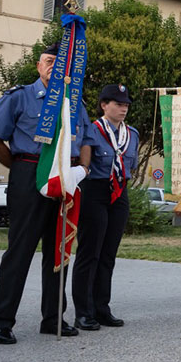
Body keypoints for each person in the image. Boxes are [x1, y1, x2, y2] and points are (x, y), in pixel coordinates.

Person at [0, 43, 93, 344]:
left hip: (67, 179)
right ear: (39, 65)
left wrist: (82, 169)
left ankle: (53, 317)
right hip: (30, 175)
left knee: (59, 251)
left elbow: (85, 138)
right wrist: (22, 167)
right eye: (49, 61)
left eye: (61, 63)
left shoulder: (75, 103)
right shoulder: (19, 97)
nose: (55, 67)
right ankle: (2, 321)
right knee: (19, 250)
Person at [70, 84, 138, 331]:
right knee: (90, 253)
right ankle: (83, 311)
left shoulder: (132, 134)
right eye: (118, 104)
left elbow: (133, 165)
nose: (123, 108)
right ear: (103, 105)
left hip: (119, 192)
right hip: (95, 190)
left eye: (126, 104)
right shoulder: (90, 130)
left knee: (109, 253)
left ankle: (102, 307)